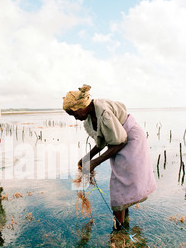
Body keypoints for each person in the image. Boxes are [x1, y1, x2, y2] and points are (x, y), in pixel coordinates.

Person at [63, 84, 157, 229]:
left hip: (130, 139)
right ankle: (123, 222)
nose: (75, 118)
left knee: (120, 182)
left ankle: (119, 230)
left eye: (75, 114)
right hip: (119, 139)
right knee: (121, 181)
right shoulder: (90, 117)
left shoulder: (104, 113)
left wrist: (95, 162)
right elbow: (103, 141)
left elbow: (121, 141)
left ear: (82, 106)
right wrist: (87, 157)